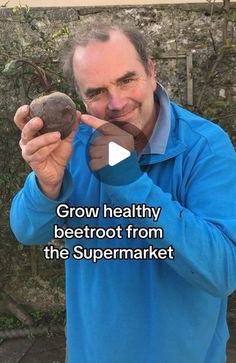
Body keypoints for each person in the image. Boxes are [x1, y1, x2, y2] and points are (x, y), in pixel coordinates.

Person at [10, 23, 236, 363]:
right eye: (96, 92)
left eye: (127, 80)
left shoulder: (204, 147)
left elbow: (223, 272)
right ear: (81, 98)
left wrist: (131, 186)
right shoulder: (74, 146)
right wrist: (46, 183)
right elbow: (27, 231)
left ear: (151, 72)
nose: (116, 102)